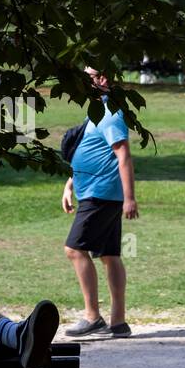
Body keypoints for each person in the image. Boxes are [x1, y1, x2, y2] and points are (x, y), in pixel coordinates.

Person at [62, 65, 139, 339]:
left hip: (101, 194)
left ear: (102, 79)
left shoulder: (111, 113)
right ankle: (118, 322)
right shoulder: (96, 111)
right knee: (110, 255)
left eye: (88, 78)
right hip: (97, 192)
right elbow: (93, 150)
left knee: (74, 249)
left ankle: (92, 317)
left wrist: (130, 197)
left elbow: (123, 156)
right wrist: (70, 184)